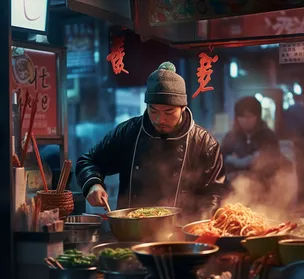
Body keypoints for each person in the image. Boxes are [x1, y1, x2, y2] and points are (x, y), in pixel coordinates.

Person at [76, 62, 227, 220]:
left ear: (182, 107)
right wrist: (93, 184)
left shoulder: (204, 143)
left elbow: (215, 194)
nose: (160, 119)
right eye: (153, 111)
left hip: (182, 234)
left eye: (168, 112)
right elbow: (88, 161)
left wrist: (199, 224)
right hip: (131, 229)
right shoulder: (129, 132)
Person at [221, 96, 290, 206]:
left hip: (263, 194)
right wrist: (243, 162)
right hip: (234, 193)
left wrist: (238, 161)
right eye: (241, 117)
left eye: (249, 117)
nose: (245, 121)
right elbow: (221, 163)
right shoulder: (230, 137)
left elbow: (272, 165)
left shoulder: (268, 136)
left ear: (258, 116)